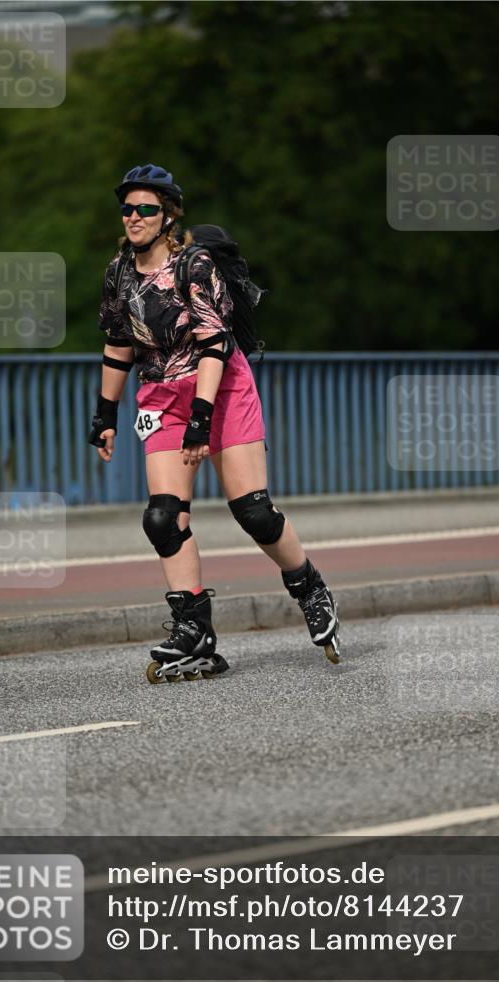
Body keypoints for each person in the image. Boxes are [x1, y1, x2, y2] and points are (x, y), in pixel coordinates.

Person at [89, 163, 340, 683]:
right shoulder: (118, 272)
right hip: (160, 393)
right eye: (127, 208)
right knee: (162, 517)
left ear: (168, 216)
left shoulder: (193, 266)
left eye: (145, 209)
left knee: (252, 512)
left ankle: (309, 586)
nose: (133, 217)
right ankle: (194, 629)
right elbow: (118, 344)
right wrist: (105, 413)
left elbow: (214, 346)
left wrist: (202, 419)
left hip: (220, 387)